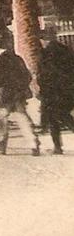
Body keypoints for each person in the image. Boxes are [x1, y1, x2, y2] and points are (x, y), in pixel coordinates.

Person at [0, 33, 40, 156]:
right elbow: (27, 76)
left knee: (0, 122)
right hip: (17, 94)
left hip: (2, 95)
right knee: (23, 118)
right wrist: (21, 88)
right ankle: (33, 143)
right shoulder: (17, 58)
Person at [37, 26, 74, 155]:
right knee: (63, 115)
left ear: (45, 39)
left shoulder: (46, 53)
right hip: (66, 89)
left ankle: (57, 147)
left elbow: (45, 73)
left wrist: (42, 88)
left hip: (52, 91)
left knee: (56, 118)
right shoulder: (66, 50)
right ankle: (57, 147)